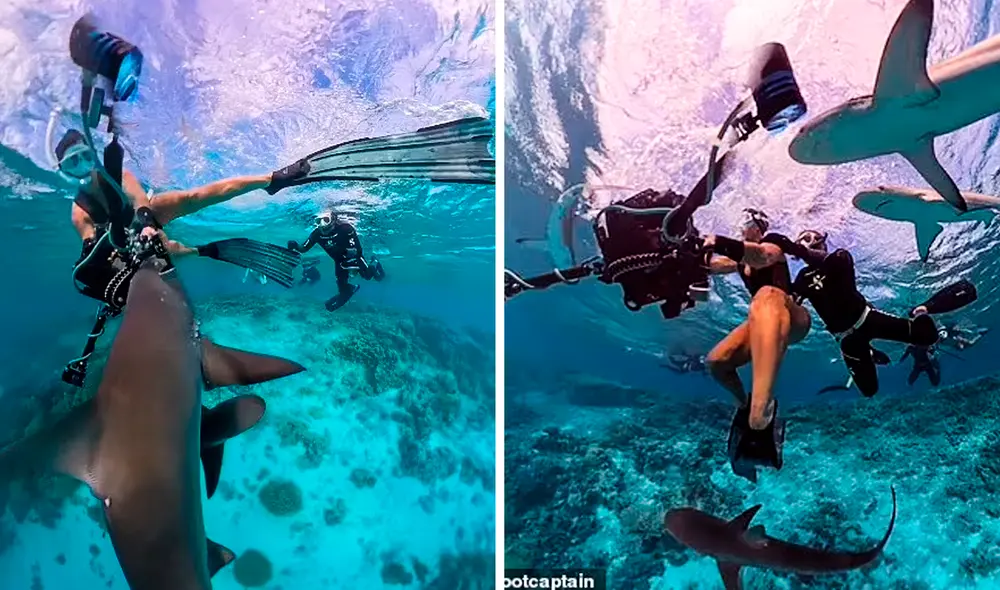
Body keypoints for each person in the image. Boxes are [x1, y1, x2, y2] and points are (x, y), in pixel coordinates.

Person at [772, 230, 977, 398]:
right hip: (847, 339)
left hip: (868, 319)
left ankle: (921, 310)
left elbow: (836, 261)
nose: (812, 241)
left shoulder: (840, 258)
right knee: (869, 390)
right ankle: (868, 352)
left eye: (814, 237)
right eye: (805, 239)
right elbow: (789, 301)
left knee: (928, 335)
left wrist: (792, 247)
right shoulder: (803, 277)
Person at [700, 208, 811, 481]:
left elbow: (762, 256)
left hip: (790, 316)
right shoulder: (738, 261)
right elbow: (710, 266)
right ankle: (744, 405)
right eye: (743, 222)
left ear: (761, 226)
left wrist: (716, 240)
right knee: (717, 362)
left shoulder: (771, 242)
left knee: (766, 293)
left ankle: (762, 409)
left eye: (751, 222)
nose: (745, 226)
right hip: (762, 320)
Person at [287, 212, 386, 311]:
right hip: (339, 262)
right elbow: (304, 248)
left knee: (369, 276)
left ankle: (374, 263)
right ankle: (351, 288)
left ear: (333, 220)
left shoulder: (346, 229)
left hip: (354, 258)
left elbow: (358, 251)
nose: (322, 224)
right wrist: (295, 246)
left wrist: (352, 265)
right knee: (342, 287)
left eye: (326, 220)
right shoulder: (316, 234)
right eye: (318, 221)